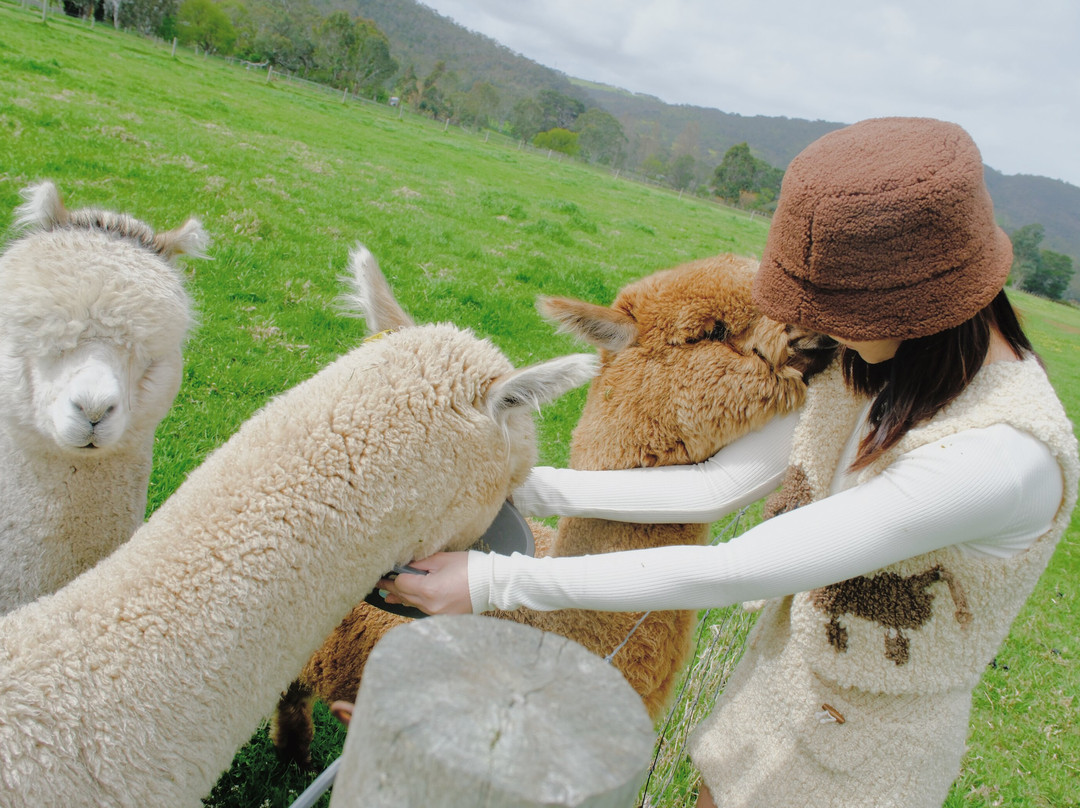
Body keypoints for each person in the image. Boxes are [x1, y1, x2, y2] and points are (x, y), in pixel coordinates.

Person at [378, 117, 1079, 807]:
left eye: (828, 307)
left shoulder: (997, 457)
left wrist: (497, 581)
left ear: (904, 306)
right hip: (773, 691)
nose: (814, 327)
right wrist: (521, 489)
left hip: (871, 759)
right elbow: (716, 490)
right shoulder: (870, 369)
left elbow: (738, 567)